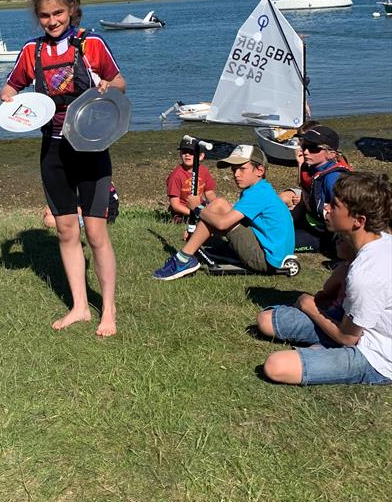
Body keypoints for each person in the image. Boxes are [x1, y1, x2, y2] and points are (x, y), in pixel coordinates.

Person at [1, 0, 125, 336]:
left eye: (58, 13)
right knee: (66, 231)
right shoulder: (31, 52)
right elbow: (9, 88)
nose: (52, 21)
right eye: (44, 15)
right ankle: (80, 307)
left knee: (97, 233)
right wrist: (10, 101)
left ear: (71, 8)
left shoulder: (92, 43)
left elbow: (120, 82)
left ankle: (109, 311)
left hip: (90, 147)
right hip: (53, 149)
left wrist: (107, 85)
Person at [256, 173, 392, 386]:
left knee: (276, 366)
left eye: (335, 205)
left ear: (359, 221)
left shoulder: (366, 274)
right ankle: (324, 350)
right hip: (357, 325)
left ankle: (327, 353)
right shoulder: (380, 240)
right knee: (268, 320)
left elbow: (348, 338)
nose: (326, 208)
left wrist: (308, 306)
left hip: (377, 355)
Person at [152, 144, 294, 280]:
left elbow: (222, 223)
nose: (236, 174)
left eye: (242, 169)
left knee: (219, 204)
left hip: (265, 260)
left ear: (260, 171)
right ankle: (193, 253)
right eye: (233, 170)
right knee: (221, 206)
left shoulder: (258, 194)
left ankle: (184, 259)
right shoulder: (261, 189)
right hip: (272, 253)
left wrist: (197, 208)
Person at [289, 124, 352, 256]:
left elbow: (348, 214)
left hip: (325, 235)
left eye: (313, 148)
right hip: (312, 223)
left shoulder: (333, 178)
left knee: (279, 242)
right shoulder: (313, 168)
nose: (306, 151)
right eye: (305, 146)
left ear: (331, 154)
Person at [166, 138, 216, 224]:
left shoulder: (204, 171)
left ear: (201, 156)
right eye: (184, 152)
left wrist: (215, 205)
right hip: (181, 212)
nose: (187, 155)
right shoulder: (176, 175)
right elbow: (175, 205)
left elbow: (209, 192)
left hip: (199, 207)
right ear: (180, 154)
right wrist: (196, 214)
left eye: (192, 152)